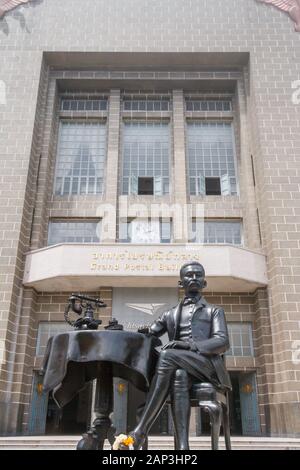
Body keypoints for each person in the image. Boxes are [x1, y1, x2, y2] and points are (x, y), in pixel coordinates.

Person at [127, 261, 231, 450]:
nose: (193, 278)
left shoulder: (214, 311)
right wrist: (137, 334)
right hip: (181, 369)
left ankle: (140, 431)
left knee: (167, 355)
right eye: (189, 275)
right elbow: (150, 333)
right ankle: (183, 448)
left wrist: (189, 345)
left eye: (198, 275)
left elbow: (222, 342)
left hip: (207, 367)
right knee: (178, 375)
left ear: (204, 283)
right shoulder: (170, 314)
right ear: (180, 283)